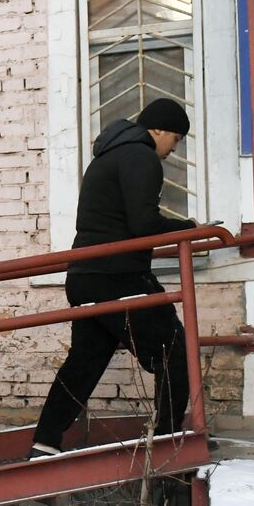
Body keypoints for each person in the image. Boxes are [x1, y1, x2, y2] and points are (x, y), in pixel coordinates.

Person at [30, 98, 197, 458]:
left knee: (85, 363)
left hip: (87, 275)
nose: (174, 149)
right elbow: (144, 226)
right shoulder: (141, 157)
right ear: (159, 130)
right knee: (175, 352)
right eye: (176, 139)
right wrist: (190, 230)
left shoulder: (109, 155)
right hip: (118, 277)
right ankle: (170, 444)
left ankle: (45, 442)